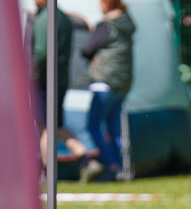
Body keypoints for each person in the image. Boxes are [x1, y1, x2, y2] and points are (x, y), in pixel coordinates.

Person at [27, 0, 87, 169]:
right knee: (57, 126)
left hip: (45, 81)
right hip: (60, 79)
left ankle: (47, 170)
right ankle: (84, 157)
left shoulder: (45, 17)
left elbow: (41, 52)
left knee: (45, 126)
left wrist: (29, 75)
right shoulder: (63, 17)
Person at [80, 0, 135, 183]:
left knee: (92, 126)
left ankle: (110, 165)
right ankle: (120, 168)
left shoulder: (107, 27)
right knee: (114, 130)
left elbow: (86, 49)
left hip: (104, 82)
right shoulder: (126, 24)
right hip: (122, 83)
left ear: (106, 5)